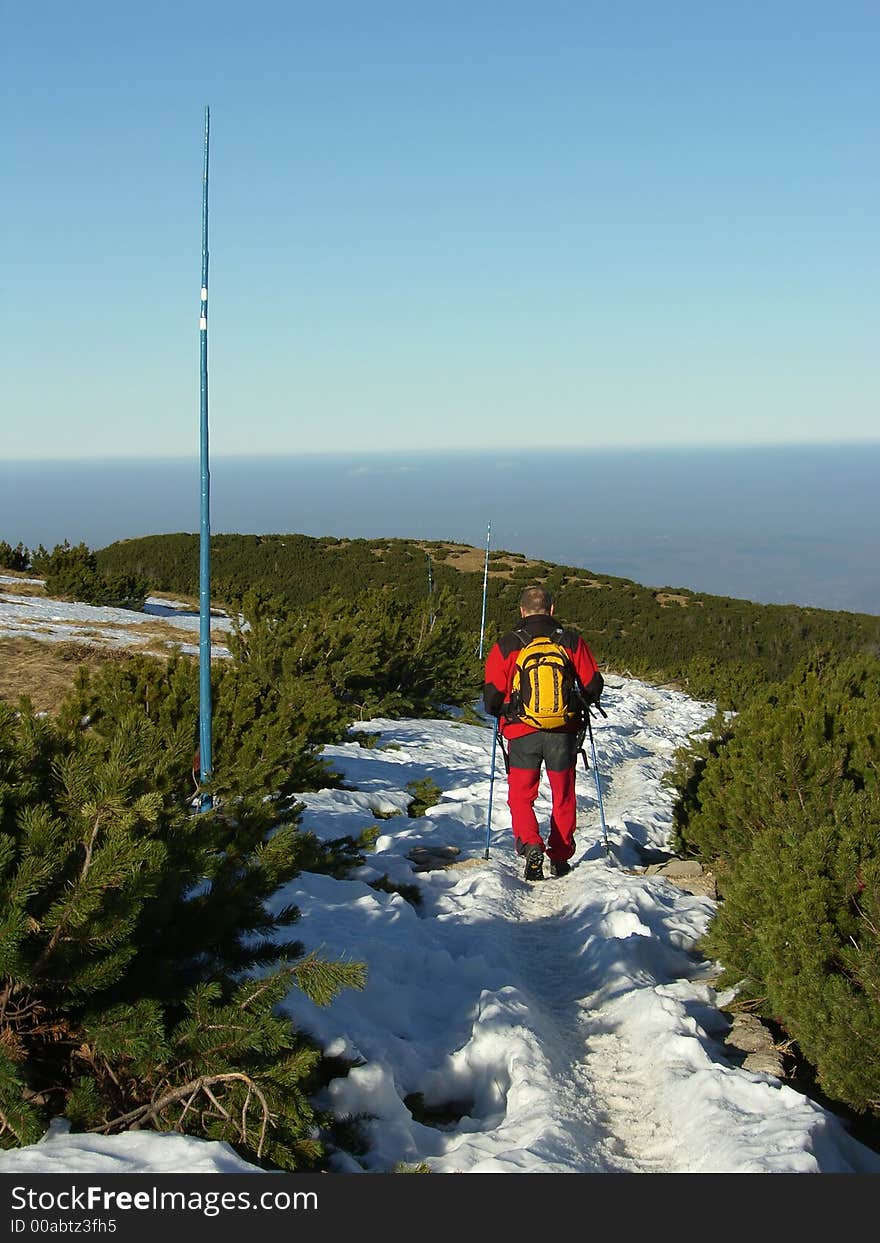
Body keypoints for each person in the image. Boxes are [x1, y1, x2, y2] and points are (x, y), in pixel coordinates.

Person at [483, 585, 604, 881]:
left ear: (521, 611)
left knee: (521, 797)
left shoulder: (508, 644)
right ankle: (560, 856)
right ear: (551, 609)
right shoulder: (570, 642)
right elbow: (592, 686)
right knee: (563, 795)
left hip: (522, 731)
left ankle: (531, 843)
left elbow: (491, 700)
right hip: (563, 731)